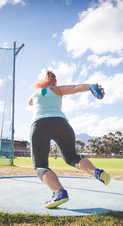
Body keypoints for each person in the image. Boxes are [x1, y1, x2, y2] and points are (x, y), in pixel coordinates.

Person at [29, 70, 111, 209]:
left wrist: (41, 90)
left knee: (40, 166)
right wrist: (92, 86)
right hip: (61, 123)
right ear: (54, 82)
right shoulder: (57, 89)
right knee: (72, 157)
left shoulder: (34, 95)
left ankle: (59, 193)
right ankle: (96, 172)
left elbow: (30, 103)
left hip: (39, 125)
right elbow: (75, 88)